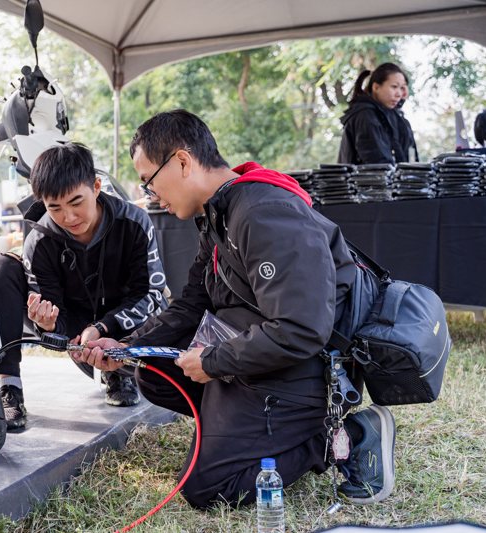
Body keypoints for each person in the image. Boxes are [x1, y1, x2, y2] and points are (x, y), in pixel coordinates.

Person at [74, 110, 397, 509]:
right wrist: (124, 347)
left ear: (181, 161)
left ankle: (340, 438)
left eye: (149, 181)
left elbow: (301, 328)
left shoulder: (265, 213)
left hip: (307, 370)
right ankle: (241, 432)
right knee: (155, 374)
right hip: (261, 357)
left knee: (207, 487)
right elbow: (192, 305)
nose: (150, 194)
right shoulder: (219, 215)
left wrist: (215, 362)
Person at [0, 142, 168, 430]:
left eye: (76, 202)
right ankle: (9, 386)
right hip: (76, 334)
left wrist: (104, 328)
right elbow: (51, 313)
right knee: (0, 267)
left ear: (96, 187)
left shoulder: (134, 222)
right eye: (54, 207)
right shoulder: (40, 239)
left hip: (125, 329)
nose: (68, 218)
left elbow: (151, 294)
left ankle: (119, 372)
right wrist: (48, 325)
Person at [338, 62, 418, 165]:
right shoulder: (366, 116)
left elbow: (410, 158)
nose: (399, 94)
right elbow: (378, 163)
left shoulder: (394, 117)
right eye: (394, 87)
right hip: (369, 181)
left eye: (402, 88)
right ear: (376, 87)